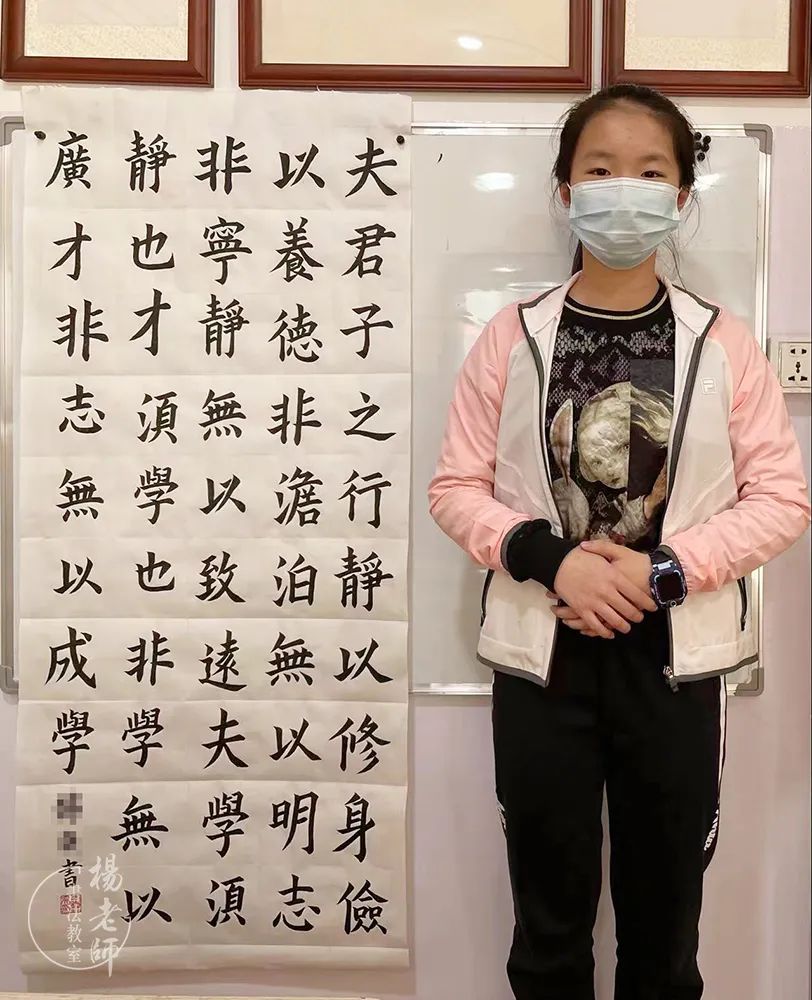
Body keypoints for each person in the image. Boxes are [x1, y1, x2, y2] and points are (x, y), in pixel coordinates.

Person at [428, 84, 811, 1000]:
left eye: (648, 171)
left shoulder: (724, 343)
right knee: (548, 931)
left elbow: (781, 500)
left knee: (663, 937)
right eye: (600, 170)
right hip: (543, 661)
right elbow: (455, 489)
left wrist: (663, 572)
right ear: (566, 190)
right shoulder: (510, 336)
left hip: (672, 668)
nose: (622, 191)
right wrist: (552, 560)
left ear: (681, 196)